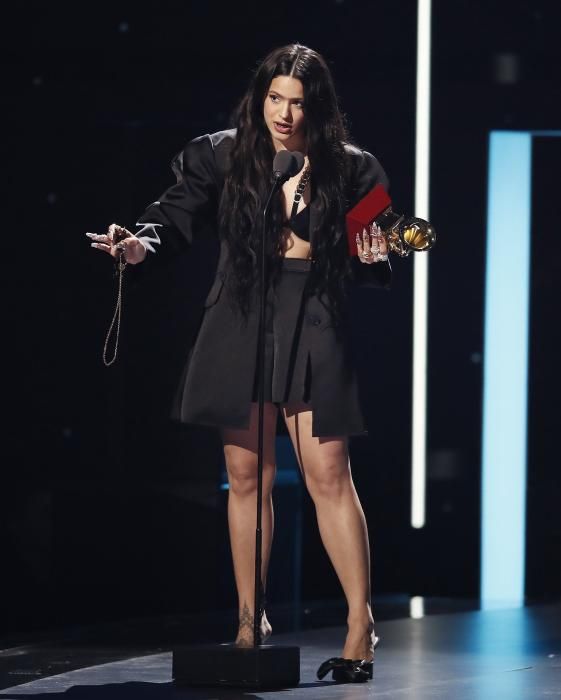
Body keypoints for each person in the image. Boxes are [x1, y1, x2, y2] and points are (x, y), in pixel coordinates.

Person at [87, 44, 391, 683]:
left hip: (313, 314)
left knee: (327, 471)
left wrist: (377, 252)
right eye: (275, 98)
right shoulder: (224, 154)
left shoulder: (353, 170)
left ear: (318, 107)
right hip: (241, 315)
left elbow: (376, 251)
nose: (284, 113)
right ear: (260, 98)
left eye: (298, 102)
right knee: (245, 475)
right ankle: (251, 619)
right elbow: (172, 219)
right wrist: (138, 247)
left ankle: (360, 624)